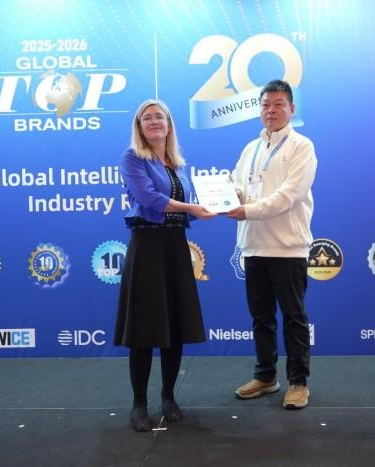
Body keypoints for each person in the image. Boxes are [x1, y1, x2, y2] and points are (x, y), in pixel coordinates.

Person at [115, 99, 215, 432]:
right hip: (147, 246)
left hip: (175, 246)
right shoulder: (132, 158)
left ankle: (169, 397)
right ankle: (139, 404)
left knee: (175, 326)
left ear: (169, 124)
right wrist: (191, 208)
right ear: (139, 126)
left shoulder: (177, 164)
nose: (154, 121)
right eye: (147, 118)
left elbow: (185, 205)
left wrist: (214, 204)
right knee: (144, 330)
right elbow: (149, 199)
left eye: (160, 117)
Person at [227, 80, 317, 409]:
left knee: (294, 318)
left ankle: (298, 382)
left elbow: (289, 196)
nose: (271, 111)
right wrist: (229, 195)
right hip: (253, 246)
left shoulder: (302, 146)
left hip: (287, 248)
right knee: (261, 318)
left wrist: (247, 210)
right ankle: (265, 376)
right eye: (265, 104)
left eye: (279, 104)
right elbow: (238, 184)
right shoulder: (250, 148)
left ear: (291, 109)